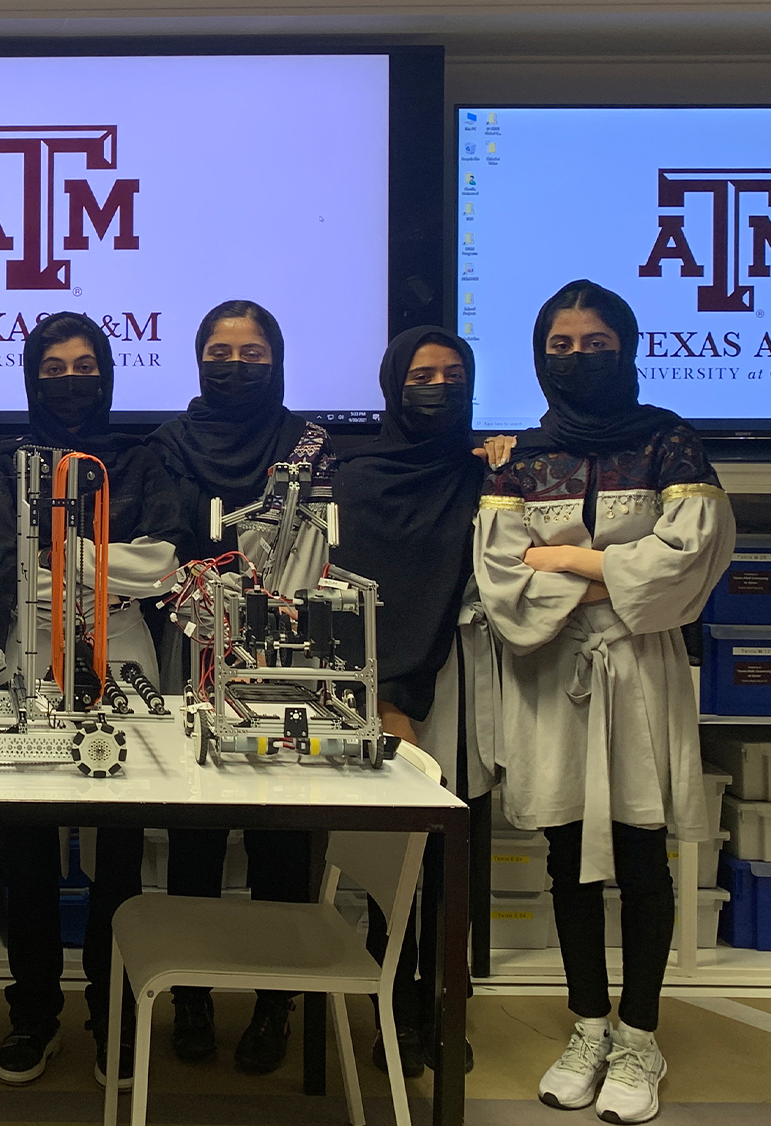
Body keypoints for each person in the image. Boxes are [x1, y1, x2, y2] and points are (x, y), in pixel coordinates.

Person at [476, 280, 733, 1125]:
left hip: (638, 670)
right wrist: (620, 569)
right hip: (554, 676)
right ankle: (589, 1024)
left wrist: (579, 566)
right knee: (564, 856)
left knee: (640, 853)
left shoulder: (669, 445)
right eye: (560, 346)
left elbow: (688, 559)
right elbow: (505, 576)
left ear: (626, 346)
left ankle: (642, 1035)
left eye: (595, 343)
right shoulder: (524, 460)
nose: (577, 358)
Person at [0, 312, 183, 1088]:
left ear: (108, 370)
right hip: (26, 662)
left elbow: (161, 564)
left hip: (122, 655)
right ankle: (33, 1013)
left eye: (83, 364)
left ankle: (111, 1017)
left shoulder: (145, 458)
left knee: (116, 853)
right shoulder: (1, 466)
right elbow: (5, 572)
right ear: (30, 375)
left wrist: (64, 556)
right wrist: (96, 564)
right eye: (52, 366)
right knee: (24, 852)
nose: (69, 379)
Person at [147, 300, 334, 1076]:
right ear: (197, 361)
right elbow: (157, 539)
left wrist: (252, 593)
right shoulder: (167, 443)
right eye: (220, 353)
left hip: (284, 655)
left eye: (252, 353)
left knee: (278, 834)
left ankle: (274, 1002)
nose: (235, 365)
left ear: (277, 358)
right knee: (193, 829)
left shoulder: (311, 443)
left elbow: (316, 545)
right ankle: (190, 996)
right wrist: (202, 596)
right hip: (188, 647)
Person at [331, 326, 494, 1079]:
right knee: (389, 861)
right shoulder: (356, 474)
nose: (437, 386)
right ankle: (391, 1010)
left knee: (451, 863)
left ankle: (442, 1008)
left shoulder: (487, 472)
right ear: (393, 384)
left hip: (458, 677)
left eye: (452, 373)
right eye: (421, 374)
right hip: (375, 690)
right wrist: (389, 687)